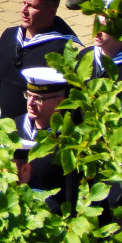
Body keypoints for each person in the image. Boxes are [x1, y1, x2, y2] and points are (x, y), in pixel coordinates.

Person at [0, 0, 80, 122]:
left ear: (51, 12)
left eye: (32, 6)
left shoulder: (60, 49)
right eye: (23, 3)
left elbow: (65, 101)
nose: (24, 10)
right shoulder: (9, 35)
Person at [17, 67, 78, 210]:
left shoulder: (68, 142)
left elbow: (70, 199)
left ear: (60, 102)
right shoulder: (14, 126)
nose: (30, 103)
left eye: (38, 98)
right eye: (28, 95)